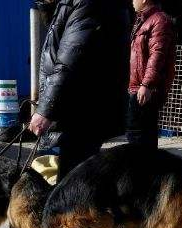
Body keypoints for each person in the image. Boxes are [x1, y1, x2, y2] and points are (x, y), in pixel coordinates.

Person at [29, 0, 131, 182]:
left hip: (77, 114)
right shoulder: (77, 4)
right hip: (78, 111)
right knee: (67, 180)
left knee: (62, 186)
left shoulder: (87, 3)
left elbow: (71, 59)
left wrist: (45, 109)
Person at [126, 0, 175, 148]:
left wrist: (146, 84)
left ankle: (141, 170)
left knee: (139, 136)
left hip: (145, 90)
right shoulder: (143, 20)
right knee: (139, 135)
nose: (132, 1)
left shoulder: (159, 20)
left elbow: (157, 55)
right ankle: (142, 169)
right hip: (137, 87)